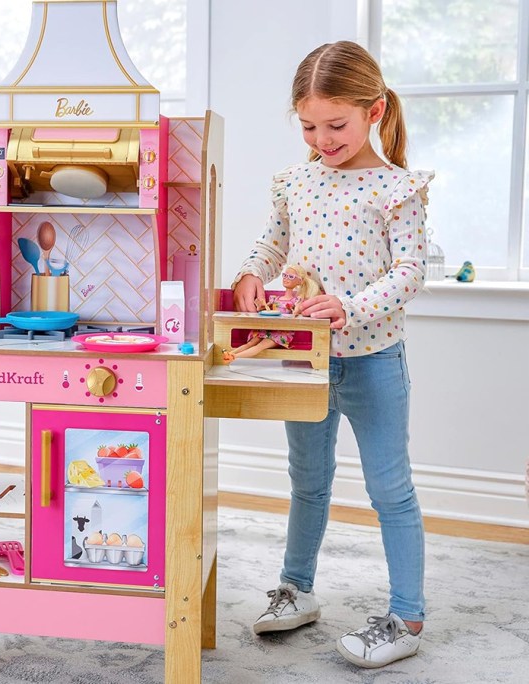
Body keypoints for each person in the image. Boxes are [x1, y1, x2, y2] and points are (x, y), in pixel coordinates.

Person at [231, 41, 433, 669]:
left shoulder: (398, 188)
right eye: (309, 125)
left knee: (390, 489)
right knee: (308, 483)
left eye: (335, 125)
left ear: (374, 112)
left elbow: (410, 272)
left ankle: (406, 614)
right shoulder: (296, 182)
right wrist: (248, 274)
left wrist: (350, 305)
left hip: (374, 360)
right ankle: (297, 589)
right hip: (307, 359)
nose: (321, 138)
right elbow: (271, 244)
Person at [222, 264, 320, 364]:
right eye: (285, 275)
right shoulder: (275, 299)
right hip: (267, 328)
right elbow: (265, 309)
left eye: (291, 277)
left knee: (259, 347)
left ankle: (234, 356)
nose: (286, 279)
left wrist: (296, 310)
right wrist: (260, 305)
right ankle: (229, 353)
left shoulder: (295, 301)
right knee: (250, 343)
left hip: (281, 333)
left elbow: (296, 314)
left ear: (300, 281)